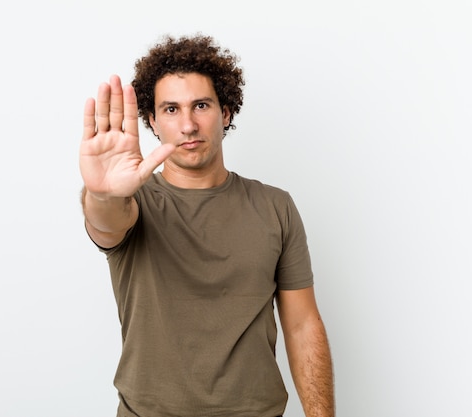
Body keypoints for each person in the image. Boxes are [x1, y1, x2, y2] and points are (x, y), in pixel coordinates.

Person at [79, 34, 334, 417]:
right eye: (170, 110)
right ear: (151, 121)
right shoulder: (134, 202)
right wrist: (103, 194)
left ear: (226, 112)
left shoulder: (275, 206)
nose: (187, 125)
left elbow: (302, 326)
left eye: (201, 105)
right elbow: (107, 222)